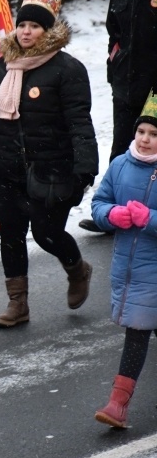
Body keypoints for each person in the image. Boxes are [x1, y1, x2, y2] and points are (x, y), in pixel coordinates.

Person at [0, 0, 98, 327]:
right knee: (11, 234)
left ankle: (77, 268)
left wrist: (84, 172)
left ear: (48, 30)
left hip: (51, 170)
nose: (26, 31)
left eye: (35, 26)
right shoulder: (2, 67)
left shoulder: (69, 70)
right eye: (22, 25)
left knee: (46, 233)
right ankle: (17, 304)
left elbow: (80, 123)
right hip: (5, 168)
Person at [92, 91, 157, 428]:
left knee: (139, 331)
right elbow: (99, 204)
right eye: (141, 132)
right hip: (131, 271)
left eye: (154, 134)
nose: (145, 140)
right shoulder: (119, 165)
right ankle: (117, 406)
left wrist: (150, 218)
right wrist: (112, 214)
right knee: (137, 331)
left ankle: (118, 403)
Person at [79, 0, 157, 233]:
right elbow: (114, 34)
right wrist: (114, 68)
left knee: (152, 148)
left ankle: (149, 214)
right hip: (126, 85)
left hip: (154, 87)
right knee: (122, 149)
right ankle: (115, 214)